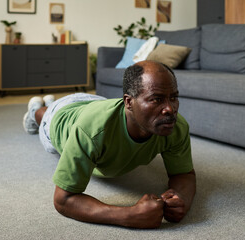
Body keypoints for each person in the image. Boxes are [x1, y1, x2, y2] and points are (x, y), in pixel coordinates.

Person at [23, 60, 196, 229]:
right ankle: (36, 109)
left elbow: (184, 174)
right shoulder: (91, 130)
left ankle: (44, 103)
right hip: (63, 115)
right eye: (156, 99)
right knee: (43, 116)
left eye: (173, 97)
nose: (170, 109)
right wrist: (129, 215)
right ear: (128, 102)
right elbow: (63, 200)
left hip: (96, 102)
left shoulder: (175, 126)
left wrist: (182, 199)